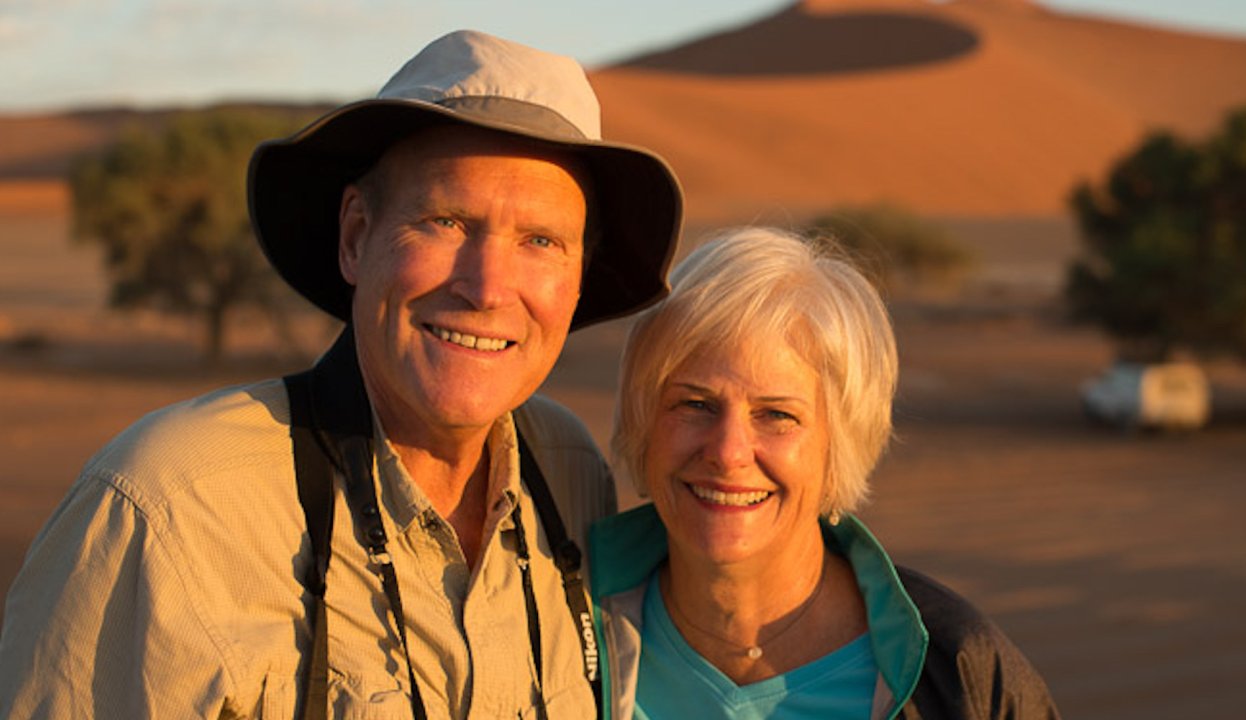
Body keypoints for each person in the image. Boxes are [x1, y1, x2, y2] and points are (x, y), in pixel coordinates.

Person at [0, 30, 681, 719]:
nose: (486, 287)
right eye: (446, 221)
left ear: (577, 278)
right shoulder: (170, 511)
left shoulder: (566, 473)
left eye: (541, 241)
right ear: (357, 236)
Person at [590, 227, 1060, 719]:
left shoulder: (960, 674)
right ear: (643, 421)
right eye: (695, 404)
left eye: (776, 415)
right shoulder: (557, 629)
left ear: (840, 444)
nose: (728, 452)